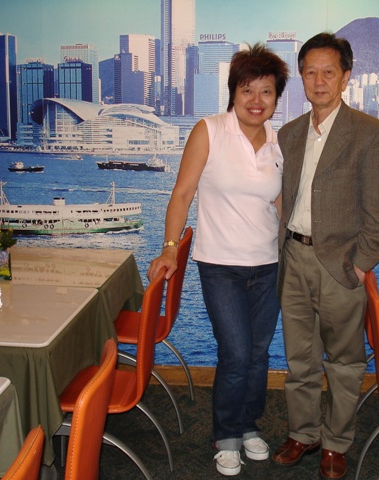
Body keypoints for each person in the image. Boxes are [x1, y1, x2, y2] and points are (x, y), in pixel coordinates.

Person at [147, 44, 289, 477]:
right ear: (233, 92)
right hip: (220, 266)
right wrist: (169, 246)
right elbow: (182, 194)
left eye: (266, 92)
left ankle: (248, 425)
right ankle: (225, 435)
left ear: (276, 97)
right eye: (247, 90)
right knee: (236, 352)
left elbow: (278, 202)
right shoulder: (208, 130)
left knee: (259, 354)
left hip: (269, 264)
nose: (256, 101)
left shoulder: (278, 141)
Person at [271, 33, 379, 480]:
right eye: (310, 72)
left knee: (344, 363)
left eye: (329, 71)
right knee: (299, 359)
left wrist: (360, 265)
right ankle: (303, 433)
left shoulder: (370, 133)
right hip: (294, 258)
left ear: (346, 76)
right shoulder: (288, 134)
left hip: (341, 265)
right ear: (301, 77)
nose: (319, 80)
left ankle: (336, 443)